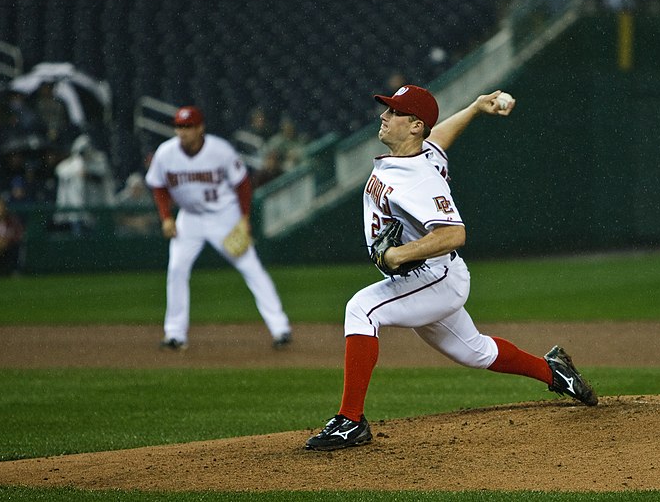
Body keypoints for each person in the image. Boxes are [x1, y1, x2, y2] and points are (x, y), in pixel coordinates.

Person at [305, 85, 598, 451]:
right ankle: (553, 371)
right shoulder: (422, 152)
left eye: (394, 112)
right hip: (432, 278)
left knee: (361, 310)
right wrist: (475, 107)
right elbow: (439, 136)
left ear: (414, 126)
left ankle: (350, 421)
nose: (384, 116)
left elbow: (455, 233)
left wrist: (399, 254)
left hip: (433, 277)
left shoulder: (419, 179)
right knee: (475, 351)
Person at [145, 106, 292, 350]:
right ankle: (174, 334)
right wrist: (166, 217)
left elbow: (242, 184)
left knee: (251, 267)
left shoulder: (219, 150)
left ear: (200, 128)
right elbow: (157, 185)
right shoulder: (166, 153)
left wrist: (244, 218)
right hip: (189, 218)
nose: (183, 132)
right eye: (179, 127)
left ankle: (280, 328)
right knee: (176, 270)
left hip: (223, 216)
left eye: (188, 127)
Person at [53, 134, 115, 234]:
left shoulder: (99, 160)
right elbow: (60, 170)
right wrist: (77, 172)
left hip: (96, 208)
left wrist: (88, 174)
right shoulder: (71, 165)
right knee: (80, 241)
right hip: (77, 211)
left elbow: (102, 174)